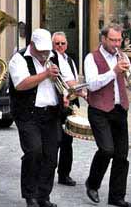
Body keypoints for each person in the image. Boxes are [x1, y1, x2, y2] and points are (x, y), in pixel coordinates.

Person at [84, 24, 131, 207]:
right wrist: (113, 71)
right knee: (107, 149)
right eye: (113, 40)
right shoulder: (91, 58)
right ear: (103, 39)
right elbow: (92, 85)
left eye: (119, 40)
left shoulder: (122, 57)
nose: (117, 44)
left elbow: (129, 84)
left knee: (122, 155)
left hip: (119, 109)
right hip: (99, 110)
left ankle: (117, 196)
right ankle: (92, 184)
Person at [9, 29, 66, 207]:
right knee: (33, 152)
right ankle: (30, 195)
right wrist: (45, 74)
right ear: (32, 45)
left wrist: (67, 94)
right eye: (41, 51)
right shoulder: (19, 59)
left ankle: (43, 195)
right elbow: (21, 84)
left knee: (50, 156)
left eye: (47, 51)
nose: (44, 55)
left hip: (51, 113)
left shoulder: (54, 57)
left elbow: (65, 82)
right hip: (28, 114)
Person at [51, 31, 82, 187]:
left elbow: (74, 79)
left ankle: (64, 174)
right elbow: (67, 81)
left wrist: (77, 96)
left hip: (69, 104)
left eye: (63, 43)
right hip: (57, 104)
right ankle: (49, 170)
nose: (60, 46)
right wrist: (80, 91)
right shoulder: (51, 60)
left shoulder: (69, 59)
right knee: (55, 140)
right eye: (57, 43)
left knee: (67, 141)